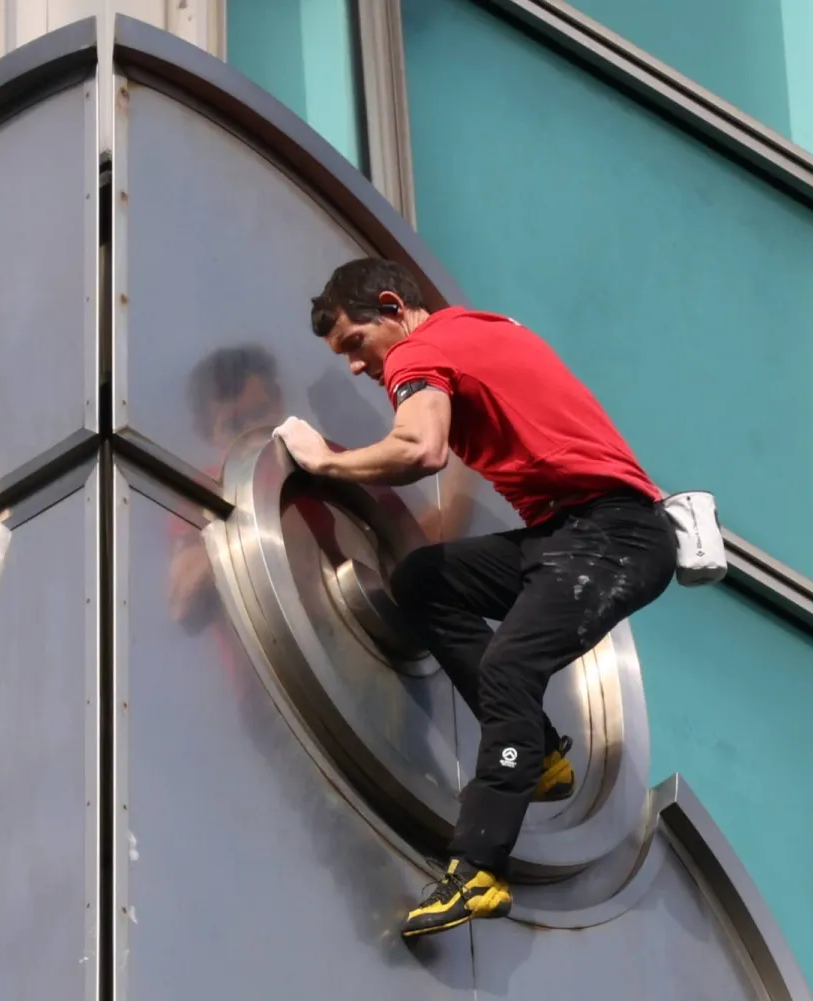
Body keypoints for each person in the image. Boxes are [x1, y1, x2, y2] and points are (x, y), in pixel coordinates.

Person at [276, 258, 676, 940]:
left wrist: (325, 463)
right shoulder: (479, 330)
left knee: (509, 668)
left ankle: (480, 870)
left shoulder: (417, 351)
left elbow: (423, 447)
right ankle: (540, 752)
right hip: (570, 534)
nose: (355, 367)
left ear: (393, 307)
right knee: (425, 579)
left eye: (354, 345)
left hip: (611, 536)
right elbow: (467, 448)